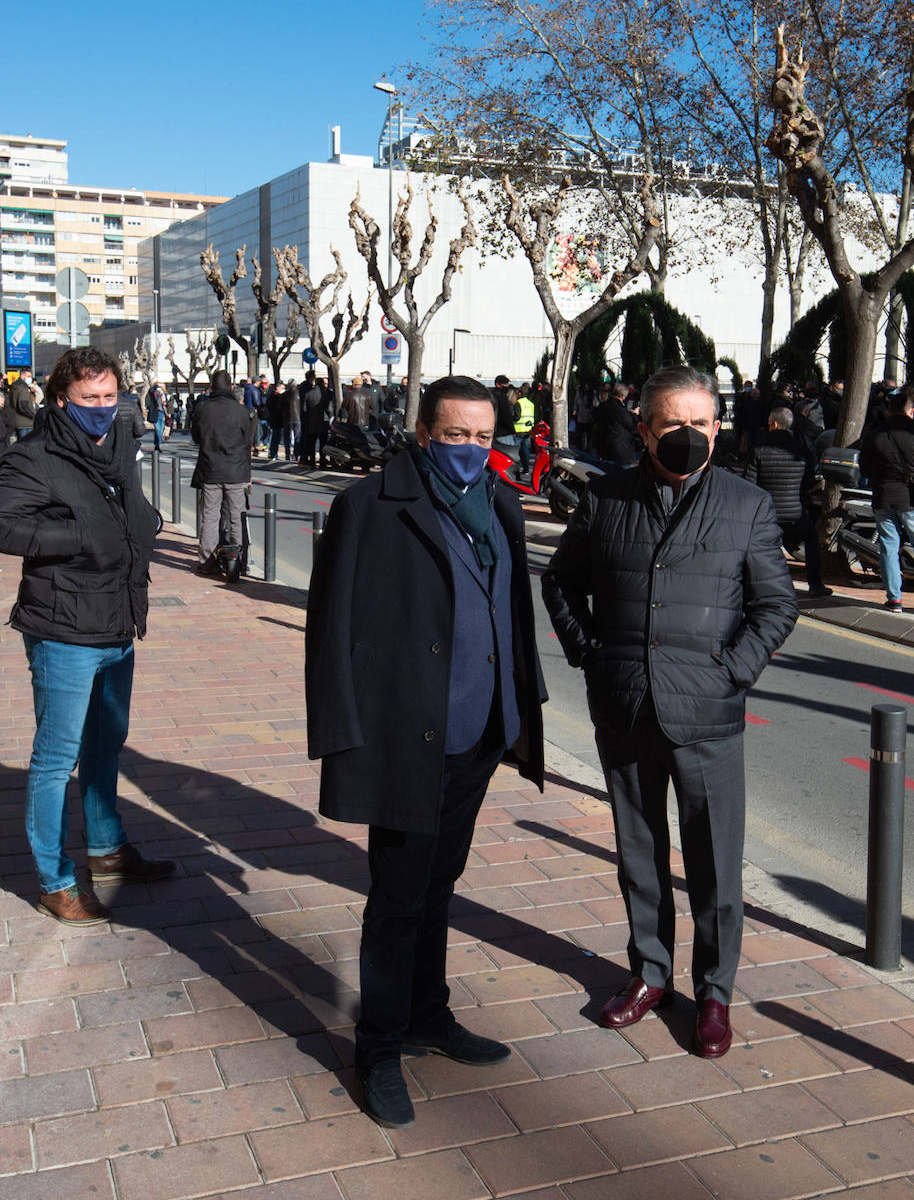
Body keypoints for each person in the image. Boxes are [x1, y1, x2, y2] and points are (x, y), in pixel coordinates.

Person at [305, 374, 546, 1129]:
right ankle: (377, 1046)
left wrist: (521, 706)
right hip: (407, 735)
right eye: (456, 436)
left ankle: (427, 1015)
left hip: (479, 731)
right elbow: (329, 627)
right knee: (398, 895)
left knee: (442, 882)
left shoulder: (501, 503)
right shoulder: (369, 506)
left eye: (484, 436)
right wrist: (341, 734)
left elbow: (510, 611)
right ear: (423, 433)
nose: (473, 450)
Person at [542, 365, 797, 1059]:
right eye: (673, 424)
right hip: (625, 708)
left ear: (717, 427)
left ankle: (714, 994)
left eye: (701, 423)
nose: (689, 435)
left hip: (707, 715)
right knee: (639, 856)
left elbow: (776, 603)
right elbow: (561, 582)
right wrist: (593, 659)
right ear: (644, 428)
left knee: (715, 865)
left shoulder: (745, 505)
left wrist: (733, 671)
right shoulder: (606, 499)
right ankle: (650, 975)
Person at [0, 346, 170, 923]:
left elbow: (125, 509)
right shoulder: (34, 456)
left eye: (109, 395)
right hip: (63, 627)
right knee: (56, 759)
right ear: (59, 400)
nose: (102, 407)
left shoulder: (119, 443)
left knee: (106, 747)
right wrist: (74, 536)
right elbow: (4, 524)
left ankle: (107, 851)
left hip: (117, 619)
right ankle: (55, 880)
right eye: (88, 398)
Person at [744, 406, 831, 598]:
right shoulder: (802, 449)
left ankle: (766, 586)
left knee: (763, 548)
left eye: (768, 424)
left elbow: (749, 485)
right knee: (811, 540)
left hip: (767, 513)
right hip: (795, 511)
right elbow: (809, 482)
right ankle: (815, 584)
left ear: (774, 424)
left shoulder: (758, 449)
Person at [191, 370, 252, 575]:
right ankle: (239, 561)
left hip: (210, 470)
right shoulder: (242, 411)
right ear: (231, 387)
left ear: (212, 387)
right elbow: (247, 443)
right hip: (236, 471)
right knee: (237, 516)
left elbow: (196, 438)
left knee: (209, 516)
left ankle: (206, 562)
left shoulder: (202, 409)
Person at [859, 385, 914, 612]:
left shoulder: (875, 435)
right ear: (910, 411)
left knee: (888, 548)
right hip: (910, 498)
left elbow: (865, 469)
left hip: (883, 497)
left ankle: (895, 599)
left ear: (889, 410)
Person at [8, 366, 39, 440]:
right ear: (23, 376)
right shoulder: (22, 389)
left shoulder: (16, 387)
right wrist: (33, 415)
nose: (30, 378)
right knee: (26, 445)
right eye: (28, 376)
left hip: (19, 422)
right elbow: (24, 406)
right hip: (26, 423)